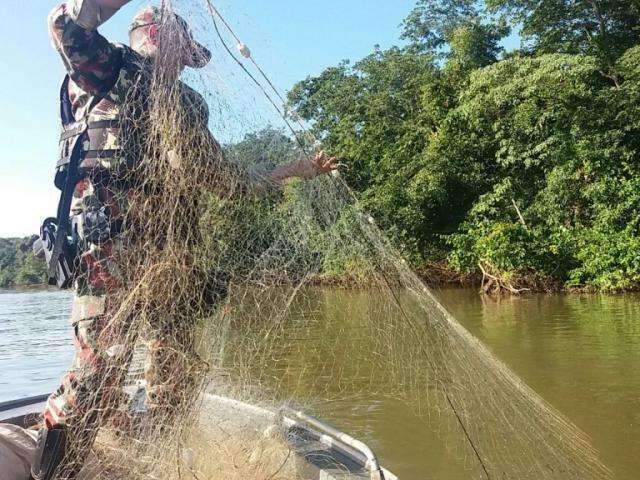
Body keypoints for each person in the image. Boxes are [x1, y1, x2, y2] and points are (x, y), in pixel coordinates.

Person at [32, 1, 339, 479]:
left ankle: (164, 465)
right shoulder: (108, 70)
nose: (182, 58)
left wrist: (298, 170)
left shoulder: (188, 103)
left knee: (176, 367)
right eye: (177, 45)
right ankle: (49, 474)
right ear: (154, 38)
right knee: (98, 373)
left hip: (174, 257)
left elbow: (226, 180)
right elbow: (65, 23)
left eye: (185, 52)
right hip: (110, 250)